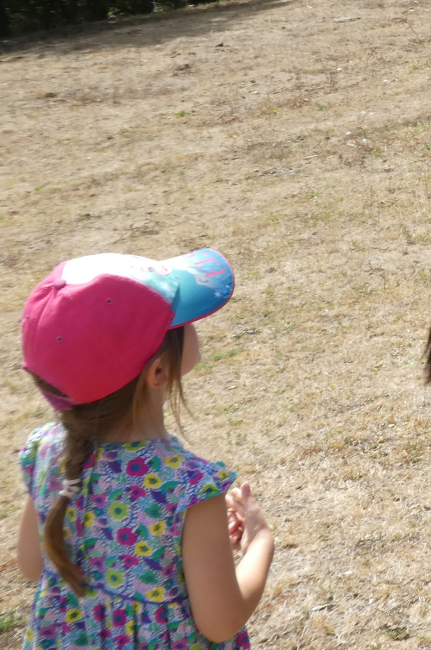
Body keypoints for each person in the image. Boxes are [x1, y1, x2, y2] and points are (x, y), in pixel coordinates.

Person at [14, 249, 274, 649]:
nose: (192, 327)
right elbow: (220, 622)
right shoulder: (187, 489)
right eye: (182, 321)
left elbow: (33, 565)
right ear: (157, 371)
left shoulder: (47, 451)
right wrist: (260, 542)